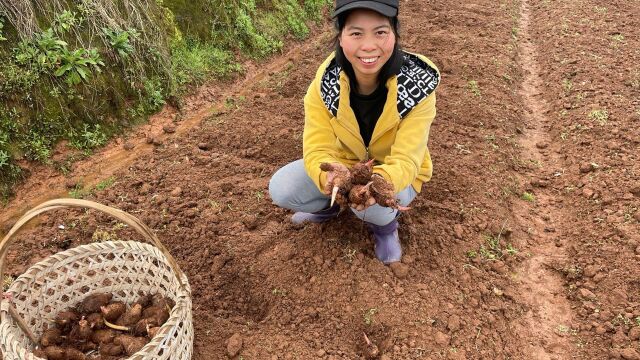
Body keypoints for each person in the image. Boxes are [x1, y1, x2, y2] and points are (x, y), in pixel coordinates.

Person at [269, 0, 440, 264]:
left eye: (380, 32)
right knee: (282, 188)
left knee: (373, 207)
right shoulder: (324, 84)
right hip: (345, 165)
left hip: (394, 173)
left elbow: (407, 159)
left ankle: (385, 227)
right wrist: (331, 178)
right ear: (341, 37)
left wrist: (376, 184)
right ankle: (331, 207)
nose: (369, 45)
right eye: (356, 33)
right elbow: (316, 147)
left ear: (395, 34)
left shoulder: (419, 85)